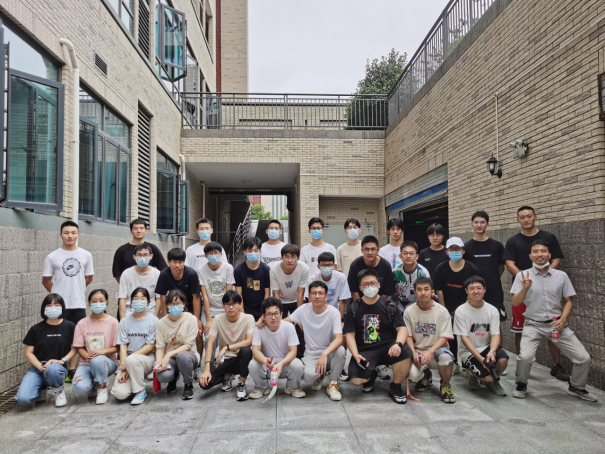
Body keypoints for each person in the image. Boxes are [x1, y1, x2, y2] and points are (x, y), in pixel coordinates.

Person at [511, 240, 596, 401]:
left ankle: (576, 386)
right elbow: (515, 302)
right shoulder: (522, 276)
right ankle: (521, 384)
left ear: (549, 255)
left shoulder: (561, 276)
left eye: (543, 251)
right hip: (533, 324)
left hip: (557, 324)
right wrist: (525, 288)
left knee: (583, 358)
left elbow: (568, 301)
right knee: (525, 357)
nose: (540, 254)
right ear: (530, 256)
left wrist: (563, 319)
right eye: (535, 251)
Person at [504, 205, 567, 381]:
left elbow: (557, 260)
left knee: (552, 328)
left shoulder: (549, 238)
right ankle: (522, 364)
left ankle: (556, 365)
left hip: (547, 291)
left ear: (535, 217)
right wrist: (524, 281)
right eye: (522, 217)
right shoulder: (513, 241)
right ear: (518, 220)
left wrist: (543, 278)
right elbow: (509, 264)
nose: (526, 219)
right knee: (520, 329)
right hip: (522, 291)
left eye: (529, 216)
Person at [344, 269, 413, 404]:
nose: (370, 287)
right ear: (360, 288)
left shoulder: (390, 306)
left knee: (405, 351)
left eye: (373, 283)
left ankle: (396, 386)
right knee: (356, 380)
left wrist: (398, 344)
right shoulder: (354, 308)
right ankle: (371, 375)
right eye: (366, 284)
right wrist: (355, 354)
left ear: (379, 285)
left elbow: (402, 329)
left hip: (388, 347)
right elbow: (350, 335)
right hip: (365, 350)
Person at [42, 220, 94, 380]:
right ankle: (58, 367)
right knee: (59, 337)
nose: (70, 236)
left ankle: (72, 370)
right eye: (66, 233)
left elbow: (89, 277)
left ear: (78, 234)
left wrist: (76, 289)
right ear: (60, 235)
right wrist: (57, 295)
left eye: (73, 232)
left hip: (78, 303)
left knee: (77, 337)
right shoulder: (52, 256)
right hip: (59, 307)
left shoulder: (86, 255)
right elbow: (46, 280)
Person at [347, 235, 397, 380]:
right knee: (364, 335)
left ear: (378, 250)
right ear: (362, 250)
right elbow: (354, 290)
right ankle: (366, 361)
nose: (370, 252)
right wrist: (360, 307)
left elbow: (386, 291)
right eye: (366, 249)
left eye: (373, 249)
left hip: (381, 305)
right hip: (360, 305)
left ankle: (380, 364)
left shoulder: (385, 265)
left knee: (381, 333)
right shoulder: (355, 265)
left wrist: (379, 307)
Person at [15, 294, 77, 408]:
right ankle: (42, 387)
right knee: (23, 399)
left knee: (53, 369)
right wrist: (40, 366)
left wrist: (63, 361)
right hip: (37, 368)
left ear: (62, 307)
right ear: (44, 308)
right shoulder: (36, 329)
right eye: (49, 305)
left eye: (57, 305)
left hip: (58, 367)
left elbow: (75, 349)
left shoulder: (70, 326)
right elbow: (28, 352)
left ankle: (58, 391)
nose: (53, 307)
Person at [432, 237, 481, 373]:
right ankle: (454, 363)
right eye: (451, 249)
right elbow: (439, 290)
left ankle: (467, 363)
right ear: (447, 252)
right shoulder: (441, 268)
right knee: (451, 336)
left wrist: (465, 308)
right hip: (447, 306)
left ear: (463, 251)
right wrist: (444, 309)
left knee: (467, 335)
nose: (455, 251)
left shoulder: (472, 268)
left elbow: (473, 290)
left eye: (457, 249)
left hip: (467, 306)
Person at [454, 276, 508, 397]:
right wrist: (480, 359)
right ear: (466, 291)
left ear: (484, 289)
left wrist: (492, 351)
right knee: (486, 377)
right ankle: (472, 374)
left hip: (486, 347)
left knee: (503, 360)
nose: (476, 291)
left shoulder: (492, 310)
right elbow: (464, 338)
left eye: (479, 288)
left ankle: (493, 382)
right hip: (468, 351)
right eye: (472, 288)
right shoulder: (461, 311)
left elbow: (496, 335)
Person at [404, 277, 456, 403]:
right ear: (415, 292)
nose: (423, 293)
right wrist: (413, 353)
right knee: (413, 375)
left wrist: (430, 352)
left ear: (432, 291)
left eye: (426, 289)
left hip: (437, 352)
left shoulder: (442, 311)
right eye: (419, 290)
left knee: (446, 358)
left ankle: (445, 385)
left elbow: (445, 336)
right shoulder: (409, 311)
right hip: (419, 353)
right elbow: (408, 335)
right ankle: (425, 375)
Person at [291, 281, 345, 401]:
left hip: (329, 351)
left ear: (326, 296)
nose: (317, 296)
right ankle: (320, 375)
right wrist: (263, 321)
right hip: (312, 353)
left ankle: (333, 384)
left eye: (321, 293)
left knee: (340, 351)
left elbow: (339, 338)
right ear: (309, 296)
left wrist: (324, 354)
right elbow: (284, 321)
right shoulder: (303, 309)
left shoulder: (333, 312)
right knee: (309, 377)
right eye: (314, 293)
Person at [199, 291, 254, 402]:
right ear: (223, 306)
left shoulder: (248, 318)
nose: (231, 307)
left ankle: (241, 383)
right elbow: (210, 343)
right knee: (204, 384)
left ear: (240, 304)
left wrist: (226, 347)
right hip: (224, 359)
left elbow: (249, 341)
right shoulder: (218, 319)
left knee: (246, 351)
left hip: (239, 359)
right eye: (228, 304)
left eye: (234, 304)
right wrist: (206, 369)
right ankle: (227, 374)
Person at [248, 298, 306, 399]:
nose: (273, 317)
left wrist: (281, 364)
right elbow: (255, 350)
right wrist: (265, 361)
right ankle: (261, 387)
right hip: (267, 363)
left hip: (285, 363)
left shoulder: (289, 327)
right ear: (263, 316)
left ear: (281, 314)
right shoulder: (258, 328)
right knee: (253, 364)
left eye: (276, 313)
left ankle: (292, 387)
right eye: (269, 314)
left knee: (298, 364)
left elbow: (293, 351)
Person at [111, 287, 159, 405]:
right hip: (128, 358)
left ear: (148, 302)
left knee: (132, 360)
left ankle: (140, 391)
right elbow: (123, 345)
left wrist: (128, 361)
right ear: (131, 302)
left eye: (142, 299)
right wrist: (124, 366)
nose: (139, 301)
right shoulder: (124, 321)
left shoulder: (154, 320)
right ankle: (136, 379)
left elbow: (150, 346)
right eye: (135, 299)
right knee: (120, 394)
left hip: (147, 358)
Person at [72, 289, 119, 405]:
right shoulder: (82, 323)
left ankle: (102, 387)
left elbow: (117, 347)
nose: (98, 304)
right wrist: (88, 356)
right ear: (89, 303)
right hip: (86, 363)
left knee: (97, 360)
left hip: (107, 362)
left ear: (107, 302)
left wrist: (103, 351)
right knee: (79, 388)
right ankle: (94, 384)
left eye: (101, 301)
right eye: (94, 301)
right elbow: (79, 347)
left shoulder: (113, 322)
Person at [154, 289, 201, 400]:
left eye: (178, 303)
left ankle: (188, 384)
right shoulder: (161, 323)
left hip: (189, 356)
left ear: (183, 304)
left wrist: (168, 355)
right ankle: (173, 378)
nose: (175, 306)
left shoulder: (191, 319)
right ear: (167, 305)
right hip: (170, 358)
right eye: (171, 304)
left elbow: (188, 345)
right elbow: (160, 346)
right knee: (163, 376)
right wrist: (159, 361)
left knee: (182, 356)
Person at [464, 211, 507, 323]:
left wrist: (491, 279)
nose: (479, 225)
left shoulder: (497, 246)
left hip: (494, 292)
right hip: (474, 293)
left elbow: (501, 268)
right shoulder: (466, 247)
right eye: (476, 222)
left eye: (482, 222)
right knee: (475, 325)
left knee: (495, 325)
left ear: (487, 224)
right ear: (472, 224)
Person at [156, 248, 205, 332]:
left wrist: (197, 319)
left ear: (184, 262)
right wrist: (164, 318)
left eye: (180, 262)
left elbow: (196, 297)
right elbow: (163, 297)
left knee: (197, 332)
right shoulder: (164, 274)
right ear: (169, 262)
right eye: (174, 262)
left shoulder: (191, 274)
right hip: (173, 306)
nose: (177, 265)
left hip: (190, 306)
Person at [112, 219, 167, 284]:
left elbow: (163, 269)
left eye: (141, 228)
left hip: (149, 286)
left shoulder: (152, 248)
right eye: (135, 228)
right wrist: (124, 286)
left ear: (146, 231)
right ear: (131, 231)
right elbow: (117, 272)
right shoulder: (122, 250)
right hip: (129, 286)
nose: (139, 231)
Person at [117, 243, 161, 319]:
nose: (142, 258)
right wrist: (122, 319)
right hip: (130, 312)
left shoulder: (157, 274)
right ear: (134, 257)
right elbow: (122, 297)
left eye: (145, 255)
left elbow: (159, 298)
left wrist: (155, 316)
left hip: (150, 312)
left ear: (151, 256)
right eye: (139, 255)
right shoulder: (126, 274)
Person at [234, 237, 271, 320]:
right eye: (250, 251)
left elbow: (267, 293)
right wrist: (242, 315)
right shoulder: (238, 270)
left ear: (260, 252)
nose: (253, 253)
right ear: (245, 252)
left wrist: (264, 314)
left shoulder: (266, 270)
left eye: (255, 250)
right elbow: (239, 294)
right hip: (245, 309)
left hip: (261, 309)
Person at [305, 252, 350, 318]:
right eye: (323, 265)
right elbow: (310, 301)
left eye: (329, 265)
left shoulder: (341, 277)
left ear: (334, 265)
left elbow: (342, 301)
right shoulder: (312, 280)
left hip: (335, 313)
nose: (326, 267)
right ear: (318, 266)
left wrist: (340, 320)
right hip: (317, 313)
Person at [269, 243, 310, 316]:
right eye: (286, 257)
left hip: (297, 300)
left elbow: (301, 293)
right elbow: (275, 293)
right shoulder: (274, 269)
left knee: (298, 321)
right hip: (280, 300)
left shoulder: (304, 268)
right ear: (282, 257)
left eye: (293, 257)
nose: (290, 260)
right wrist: (279, 313)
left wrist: (299, 315)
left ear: (298, 257)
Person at [393, 240, 430, 312]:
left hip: (418, 305)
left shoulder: (422, 272)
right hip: (400, 306)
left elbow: (427, 292)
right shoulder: (395, 272)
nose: (408, 256)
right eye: (405, 253)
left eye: (411, 253)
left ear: (416, 256)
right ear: (400, 256)